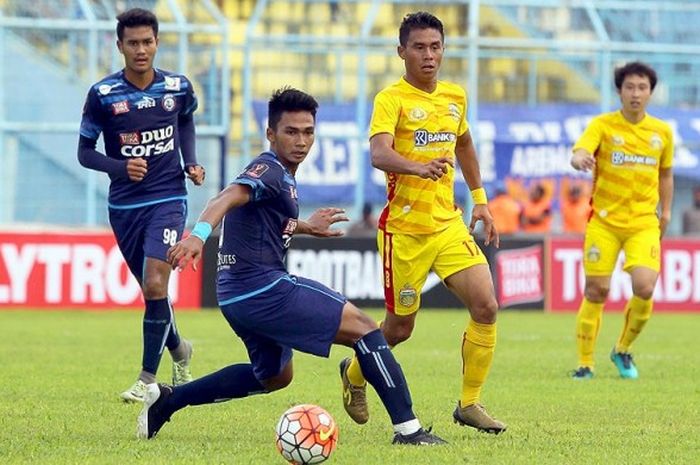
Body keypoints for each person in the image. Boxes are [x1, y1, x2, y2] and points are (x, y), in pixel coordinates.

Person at [136, 88, 446, 446]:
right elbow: (226, 197)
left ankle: (170, 399)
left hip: (238, 296)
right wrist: (197, 237)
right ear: (271, 134)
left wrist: (305, 226)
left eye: (308, 132)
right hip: (262, 288)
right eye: (291, 132)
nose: (301, 141)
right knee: (364, 327)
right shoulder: (268, 168)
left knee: (273, 377)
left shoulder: (281, 177)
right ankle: (409, 430)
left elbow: (262, 217)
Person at [339, 12, 506, 434]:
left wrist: (481, 200)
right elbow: (379, 154)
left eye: (435, 47)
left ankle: (469, 403)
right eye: (419, 47)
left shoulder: (455, 96)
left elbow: (464, 143)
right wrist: (417, 166)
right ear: (401, 52)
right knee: (399, 330)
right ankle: (353, 373)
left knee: (486, 306)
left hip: (447, 224)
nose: (429, 55)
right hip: (404, 232)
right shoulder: (391, 99)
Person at [77, 8, 204, 402]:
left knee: (154, 283)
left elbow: (185, 121)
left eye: (147, 41)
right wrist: (119, 167)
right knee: (154, 293)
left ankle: (147, 381)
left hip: (167, 198)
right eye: (132, 43)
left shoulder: (177, 88)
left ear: (157, 42)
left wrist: (191, 161)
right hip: (124, 207)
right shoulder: (103, 95)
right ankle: (180, 349)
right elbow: (84, 152)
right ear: (119, 46)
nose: (140, 49)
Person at [570, 61, 673, 380]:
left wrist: (666, 212)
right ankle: (585, 363)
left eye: (642, 88)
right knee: (596, 291)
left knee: (645, 286)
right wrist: (579, 158)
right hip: (604, 222)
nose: (636, 93)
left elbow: (666, 174)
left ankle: (622, 349)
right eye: (630, 87)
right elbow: (580, 150)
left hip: (643, 222)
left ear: (651, 92)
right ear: (619, 91)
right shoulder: (603, 125)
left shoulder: (662, 132)